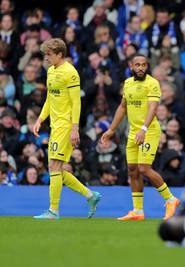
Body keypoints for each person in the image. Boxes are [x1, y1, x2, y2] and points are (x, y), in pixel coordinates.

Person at [101, 54, 179, 221]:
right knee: (133, 170)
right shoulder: (128, 84)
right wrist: (111, 129)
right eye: (138, 65)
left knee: (144, 168)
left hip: (149, 131)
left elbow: (152, 108)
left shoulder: (152, 83)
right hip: (133, 133)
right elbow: (122, 108)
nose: (141, 68)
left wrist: (143, 129)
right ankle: (137, 211)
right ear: (131, 66)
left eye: (144, 65)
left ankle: (171, 200)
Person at [33, 38, 101, 220]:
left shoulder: (70, 73)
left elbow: (76, 102)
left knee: (54, 167)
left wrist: (74, 128)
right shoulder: (51, 71)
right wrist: (40, 119)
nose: (46, 58)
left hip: (65, 125)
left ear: (60, 54)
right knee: (56, 169)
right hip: (55, 125)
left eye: (49, 54)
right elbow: (50, 99)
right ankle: (90, 195)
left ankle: (53, 211)